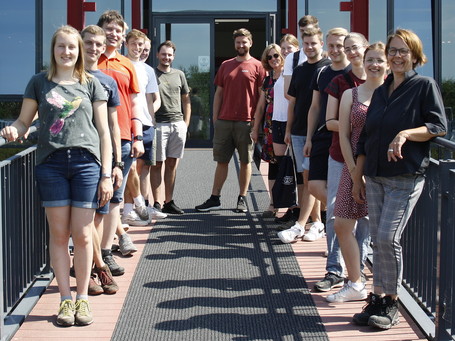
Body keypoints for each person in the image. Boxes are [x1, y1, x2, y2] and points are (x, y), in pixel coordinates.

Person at [1, 25, 113, 326]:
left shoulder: (91, 83)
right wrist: (14, 129)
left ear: (78, 52)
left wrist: (106, 174)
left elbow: (104, 133)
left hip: (86, 164)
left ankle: (83, 300)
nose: (66, 52)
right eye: (61, 46)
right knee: (59, 236)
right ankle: (65, 300)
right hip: (51, 164)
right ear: (53, 50)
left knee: (84, 235)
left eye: (71, 47)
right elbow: (25, 121)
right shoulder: (39, 82)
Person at [352, 28, 447, 330]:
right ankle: (379, 297)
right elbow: (367, 137)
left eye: (403, 51)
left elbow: (438, 125)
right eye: (392, 50)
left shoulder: (424, 85)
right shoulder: (382, 90)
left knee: (386, 238)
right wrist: (358, 178)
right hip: (376, 176)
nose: (396, 56)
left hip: (405, 176)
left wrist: (406, 133)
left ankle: (392, 301)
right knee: (378, 243)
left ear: (414, 55)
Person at [326, 42, 387, 303]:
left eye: (379, 60)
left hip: (384, 171)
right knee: (341, 224)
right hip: (352, 169)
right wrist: (353, 174)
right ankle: (355, 282)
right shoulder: (350, 94)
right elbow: (344, 135)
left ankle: (384, 292)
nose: (374, 64)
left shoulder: (394, 94)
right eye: (370, 59)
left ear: (388, 64)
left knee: (384, 234)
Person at [195, 28, 266, 213]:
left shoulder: (258, 66)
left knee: (245, 162)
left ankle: (242, 198)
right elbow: (218, 93)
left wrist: (256, 124)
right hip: (224, 121)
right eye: (238, 42)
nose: (241, 45)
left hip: (246, 121)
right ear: (234, 44)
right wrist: (215, 117)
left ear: (251, 43)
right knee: (221, 161)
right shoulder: (226, 65)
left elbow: (262, 98)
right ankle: (214, 198)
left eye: (244, 42)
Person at [303, 27, 352, 292]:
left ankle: (336, 267)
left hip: (347, 146)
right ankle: (342, 237)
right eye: (331, 46)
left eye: (339, 45)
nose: (335, 50)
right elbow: (314, 107)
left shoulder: (353, 73)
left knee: (335, 207)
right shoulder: (322, 72)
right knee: (314, 188)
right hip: (323, 140)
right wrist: (309, 138)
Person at [97, 10, 144, 276]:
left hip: (124, 138)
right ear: (100, 30)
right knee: (94, 199)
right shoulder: (89, 60)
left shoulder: (127, 64)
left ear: (123, 35)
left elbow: (135, 103)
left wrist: (137, 136)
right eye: (109, 28)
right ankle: (90, 253)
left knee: (115, 197)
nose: (113, 34)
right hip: (93, 139)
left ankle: (105, 253)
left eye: (118, 30)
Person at [277, 27, 331, 243]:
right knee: (306, 179)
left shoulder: (327, 69)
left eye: (313, 43)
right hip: (299, 130)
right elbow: (293, 102)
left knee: (312, 178)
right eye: (306, 43)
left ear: (321, 45)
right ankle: (316, 223)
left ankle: (305, 224)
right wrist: (289, 130)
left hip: (319, 132)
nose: (309, 47)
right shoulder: (299, 70)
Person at [80, 24, 121, 295]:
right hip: (76, 157)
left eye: (99, 43)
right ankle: (97, 268)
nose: (94, 48)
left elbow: (113, 125)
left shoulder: (108, 81)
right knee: (85, 222)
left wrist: (117, 163)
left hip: (100, 159)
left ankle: (92, 269)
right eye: (89, 43)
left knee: (94, 219)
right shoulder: (68, 77)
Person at [123, 29, 166, 224]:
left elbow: (150, 99)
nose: (138, 48)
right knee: (129, 168)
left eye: (141, 45)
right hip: (127, 122)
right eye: (134, 43)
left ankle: (129, 209)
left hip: (146, 124)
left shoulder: (148, 70)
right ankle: (133, 206)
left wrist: (151, 119)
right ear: (127, 44)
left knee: (139, 169)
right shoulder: (121, 65)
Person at [151, 40, 191, 215]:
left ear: (173, 57)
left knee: (172, 164)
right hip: (158, 125)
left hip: (177, 124)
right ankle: (156, 203)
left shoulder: (179, 74)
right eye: (163, 54)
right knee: (157, 164)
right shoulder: (151, 74)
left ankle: (169, 201)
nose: (166, 57)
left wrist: (186, 124)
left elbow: (186, 100)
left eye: (169, 54)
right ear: (158, 55)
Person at [251, 44, 285, 217]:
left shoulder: (289, 76)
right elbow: (260, 106)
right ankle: (274, 203)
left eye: (277, 56)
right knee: (273, 165)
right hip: (270, 127)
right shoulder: (267, 79)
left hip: (287, 125)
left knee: (288, 166)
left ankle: (293, 206)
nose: (274, 60)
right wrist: (255, 129)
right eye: (270, 57)